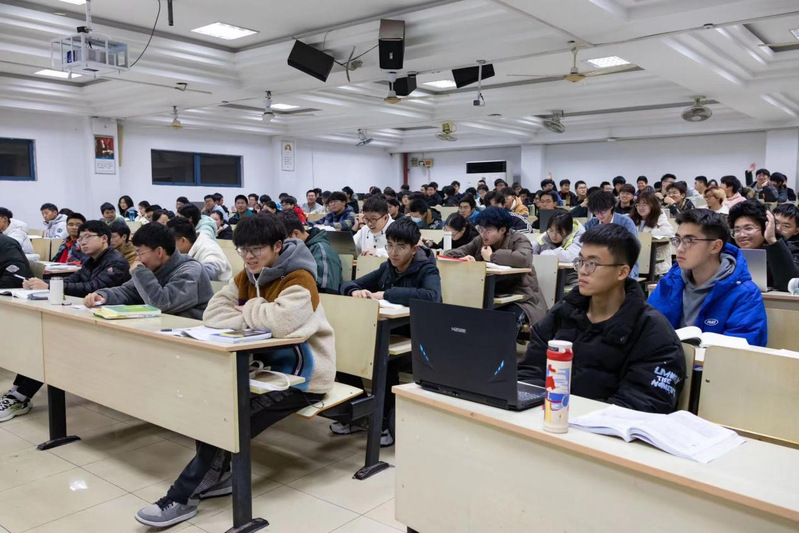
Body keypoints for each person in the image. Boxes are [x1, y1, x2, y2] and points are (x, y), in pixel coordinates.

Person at [134, 216, 321, 528]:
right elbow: (212, 313)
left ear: (277, 246)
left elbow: (282, 323)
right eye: (243, 250)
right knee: (210, 406)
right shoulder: (246, 275)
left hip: (301, 378)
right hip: (258, 369)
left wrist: (247, 310)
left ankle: (181, 497)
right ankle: (217, 477)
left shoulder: (300, 279)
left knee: (232, 422)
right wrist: (258, 315)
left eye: (256, 249)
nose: (248, 256)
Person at [518, 224, 685, 413]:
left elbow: (642, 404)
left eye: (592, 264)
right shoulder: (564, 311)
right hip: (549, 419)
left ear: (622, 272)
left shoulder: (653, 331)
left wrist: (575, 416)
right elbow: (530, 372)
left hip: (604, 427)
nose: (582, 270)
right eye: (581, 261)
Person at [2, 221, 133, 422]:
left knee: (50, 345)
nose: (82, 242)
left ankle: (19, 397)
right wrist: (44, 284)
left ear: (104, 238)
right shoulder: (91, 261)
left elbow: (92, 287)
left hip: (109, 326)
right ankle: (17, 392)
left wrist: (49, 286)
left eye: (88, 237)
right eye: (80, 238)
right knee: (40, 339)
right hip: (86, 317)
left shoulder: (116, 262)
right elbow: (73, 281)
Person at [339, 217, 441, 445]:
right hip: (387, 332)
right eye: (390, 245)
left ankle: (383, 422)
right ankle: (355, 415)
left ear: (414, 249)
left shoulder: (427, 269)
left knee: (383, 359)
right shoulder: (387, 268)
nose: (393, 252)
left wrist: (386, 294)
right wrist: (354, 291)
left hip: (418, 338)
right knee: (346, 350)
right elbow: (348, 283)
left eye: (400, 247)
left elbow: (432, 297)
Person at [648, 209, 767, 346]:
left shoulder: (745, 293)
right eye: (677, 240)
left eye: (689, 240)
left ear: (715, 246)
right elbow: (647, 330)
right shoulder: (669, 284)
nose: (679, 248)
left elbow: (742, 348)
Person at [443, 207, 548, 336]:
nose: (483, 234)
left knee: (504, 321)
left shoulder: (518, 239)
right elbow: (453, 253)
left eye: (488, 230)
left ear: (502, 230)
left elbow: (524, 259)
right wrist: (464, 258)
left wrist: (492, 257)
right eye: (481, 229)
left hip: (521, 297)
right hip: (490, 293)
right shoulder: (479, 240)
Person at [84, 222, 213, 321]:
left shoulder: (190, 270)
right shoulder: (153, 267)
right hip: (162, 327)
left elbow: (162, 303)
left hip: (192, 333)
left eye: (140, 252)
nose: (137, 259)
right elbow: (129, 291)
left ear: (159, 252)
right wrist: (103, 296)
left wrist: (139, 272)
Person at [729, 200, 799, 292]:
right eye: (737, 230)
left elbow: (789, 284)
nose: (742, 235)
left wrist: (771, 240)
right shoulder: (730, 253)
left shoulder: (790, 250)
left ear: (766, 228)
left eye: (748, 228)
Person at [278, 210, 342, 294]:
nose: (281, 247)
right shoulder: (298, 249)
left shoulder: (322, 251)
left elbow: (325, 289)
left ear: (296, 233)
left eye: (284, 241)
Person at [583, 191, 640, 279]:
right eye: (596, 212)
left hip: (622, 265)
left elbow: (631, 250)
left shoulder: (625, 222)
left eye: (603, 211)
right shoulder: (591, 224)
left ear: (611, 206)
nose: (600, 215)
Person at [167, 218, 233, 282]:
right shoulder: (191, 245)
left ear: (183, 240)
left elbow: (213, 267)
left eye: (172, 243)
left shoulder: (208, 247)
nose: (170, 246)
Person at [532, 211, 584, 285]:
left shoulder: (579, 235)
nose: (553, 235)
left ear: (569, 230)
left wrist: (545, 255)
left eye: (559, 232)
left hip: (571, 277)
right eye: (551, 230)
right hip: (549, 276)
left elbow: (569, 256)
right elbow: (531, 249)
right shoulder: (546, 235)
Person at [630, 192, 675, 276]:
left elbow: (669, 232)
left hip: (656, 265)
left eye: (644, 205)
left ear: (652, 205)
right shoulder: (633, 219)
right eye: (638, 205)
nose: (641, 208)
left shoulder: (660, 216)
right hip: (637, 261)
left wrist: (646, 235)